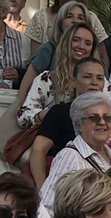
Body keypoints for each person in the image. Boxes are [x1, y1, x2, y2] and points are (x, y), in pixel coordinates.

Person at [29, 49, 106, 186]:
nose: (94, 82)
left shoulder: (110, 116)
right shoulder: (60, 112)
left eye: (99, 78)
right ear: (74, 82)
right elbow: (38, 151)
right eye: (87, 76)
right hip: (67, 186)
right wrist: (42, 189)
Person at [40, 91, 111, 210]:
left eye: (108, 118)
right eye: (94, 118)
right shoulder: (69, 156)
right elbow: (46, 206)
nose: (102, 122)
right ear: (79, 125)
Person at [18, 0, 95, 115]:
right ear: (60, 23)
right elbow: (23, 93)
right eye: (69, 16)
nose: (75, 21)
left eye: (80, 17)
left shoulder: (94, 58)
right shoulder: (48, 51)